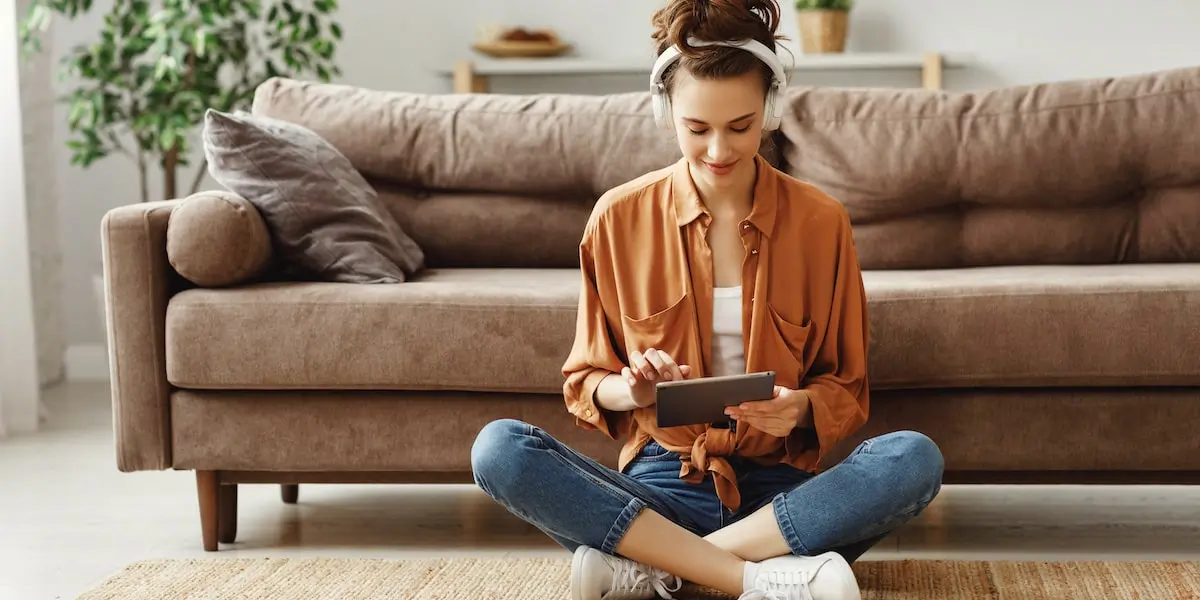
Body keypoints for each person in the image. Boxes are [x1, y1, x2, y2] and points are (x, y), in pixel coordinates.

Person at [471, 1, 945, 598]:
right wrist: (634, 389)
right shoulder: (617, 218)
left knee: (912, 459)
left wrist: (797, 408)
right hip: (657, 487)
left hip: (779, 494)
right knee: (501, 451)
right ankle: (759, 579)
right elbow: (586, 382)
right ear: (664, 109)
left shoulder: (822, 222)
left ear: (770, 111)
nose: (719, 151)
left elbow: (845, 388)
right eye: (697, 129)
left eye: (740, 127)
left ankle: (660, 569)